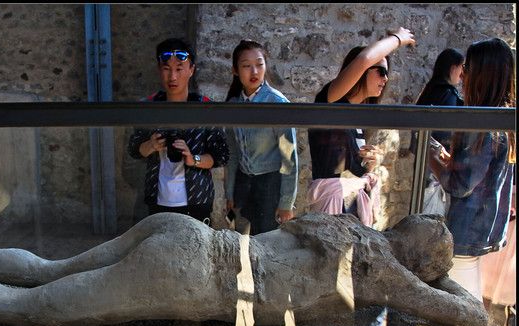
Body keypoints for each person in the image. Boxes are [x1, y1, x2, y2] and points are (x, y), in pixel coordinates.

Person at [0, 212, 488, 326]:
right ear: (421, 261)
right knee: (34, 310)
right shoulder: (388, 274)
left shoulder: (349, 228)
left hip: (187, 233)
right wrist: (445, 283)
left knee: (48, 270)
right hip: (195, 277)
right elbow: (461, 310)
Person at [428, 38, 515, 302]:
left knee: (461, 307)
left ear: (482, 74)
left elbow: (460, 185)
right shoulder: (503, 118)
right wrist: (450, 160)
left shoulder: (481, 124)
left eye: (468, 67)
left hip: (465, 230)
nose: (463, 74)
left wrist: (432, 159)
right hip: (481, 229)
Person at [307, 27, 415, 227]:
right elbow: (364, 59)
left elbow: (345, 169)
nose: (386, 79)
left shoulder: (356, 116)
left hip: (350, 206)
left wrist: (368, 165)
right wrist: (397, 39)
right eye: (381, 71)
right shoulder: (332, 101)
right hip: (334, 208)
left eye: (387, 73)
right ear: (361, 72)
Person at [128, 37, 229, 224]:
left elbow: (220, 156)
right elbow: (134, 150)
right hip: (157, 199)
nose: (172, 77)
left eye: (179, 69)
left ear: (191, 70)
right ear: (159, 70)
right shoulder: (149, 107)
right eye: (166, 69)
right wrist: (151, 145)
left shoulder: (205, 108)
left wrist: (193, 159)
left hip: (197, 199)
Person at [224, 39, 298, 234]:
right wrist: (230, 194)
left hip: (270, 186)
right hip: (243, 186)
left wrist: (286, 203)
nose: (254, 71)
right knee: (242, 247)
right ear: (235, 70)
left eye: (259, 64)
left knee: (268, 249)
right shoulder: (232, 106)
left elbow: (289, 160)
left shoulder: (277, 104)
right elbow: (232, 155)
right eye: (247, 66)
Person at [412, 48, 465, 215]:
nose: (462, 74)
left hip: (423, 162)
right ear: (453, 68)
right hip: (436, 166)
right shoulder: (447, 94)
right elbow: (445, 133)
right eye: (462, 68)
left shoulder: (429, 91)